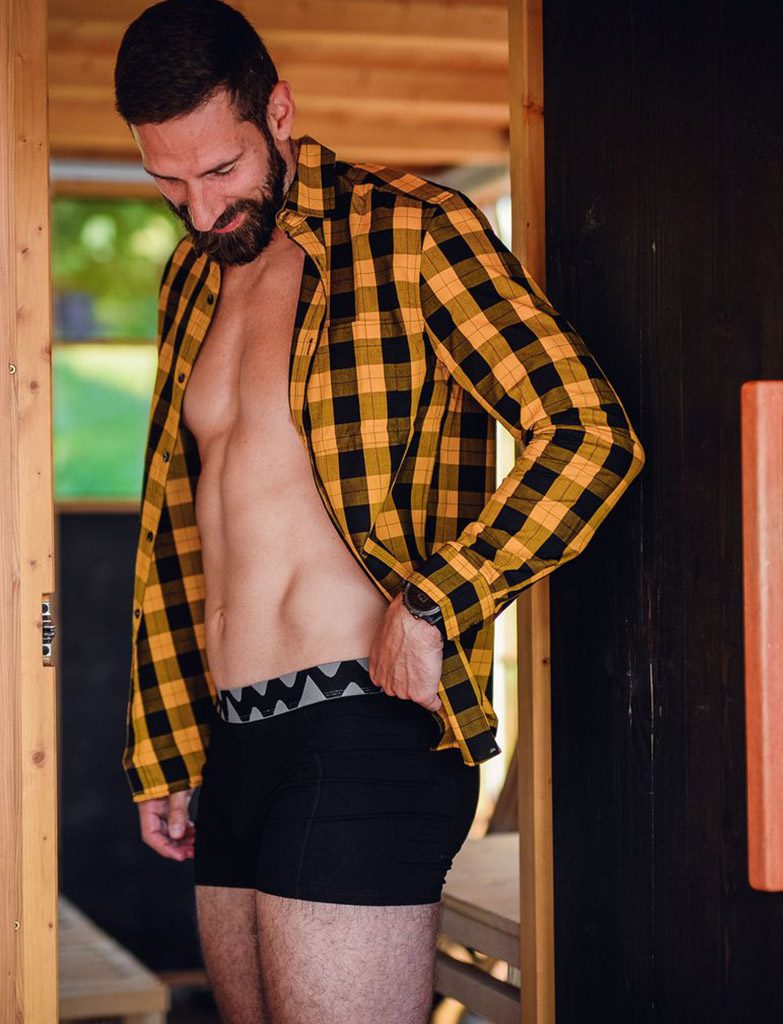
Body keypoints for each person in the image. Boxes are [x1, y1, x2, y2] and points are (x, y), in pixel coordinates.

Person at [114, 1, 645, 1021]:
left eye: (221, 170)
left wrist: (440, 598)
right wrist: (166, 743)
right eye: (168, 183)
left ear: (278, 113)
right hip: (233, 745)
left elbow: (587, 433)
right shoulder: (189, 277)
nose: (201, 210)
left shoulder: (412, 231)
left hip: (365, 732)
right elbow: (179, 532)